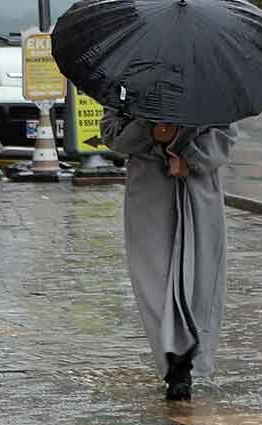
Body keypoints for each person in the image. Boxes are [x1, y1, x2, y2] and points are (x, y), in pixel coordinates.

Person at [101, 112, 237, 401]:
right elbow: (112, 133)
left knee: (201, 275)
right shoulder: (127, 86)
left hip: (199, 190)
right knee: (154, 279)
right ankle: (174, 363)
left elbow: (224, 134)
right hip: (149, 191)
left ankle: (193, 353)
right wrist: (152, 132)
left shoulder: (209, 85)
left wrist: (189, 156)